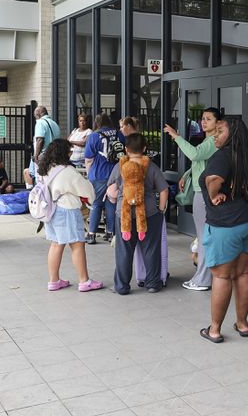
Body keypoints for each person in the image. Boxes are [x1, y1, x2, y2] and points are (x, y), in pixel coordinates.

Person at [198, 116, 248, 343]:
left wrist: (215, 195)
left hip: (227, 224)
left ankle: (214, 329)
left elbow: (213, 178)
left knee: (222, 276)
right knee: (243, 273)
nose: (216, 134)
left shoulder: (223, 155)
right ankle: (242, 324)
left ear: (233, 134)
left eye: (220, 131)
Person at [163, 107, 223, 291]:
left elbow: (195, 154)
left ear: (218, 123)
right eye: (203, 119)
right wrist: (187, 174)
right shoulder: (209, 140)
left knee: (204, 237)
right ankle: (205, 276)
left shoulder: (213, 141)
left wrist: (176, 136)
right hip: (202, 190)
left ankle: (204, 279)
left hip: (203, 192)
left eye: (209, 119)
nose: (204, 122)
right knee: (205, 236)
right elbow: (201, 161)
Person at [36, 139, 103, 293]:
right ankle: (84, 281)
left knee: (56, 244)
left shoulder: (45, 169)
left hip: (51, 211)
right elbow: (87, 190)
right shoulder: (67, 171)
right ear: (63, 153)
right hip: (67, 211)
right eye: (69, 151)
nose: (71, 153)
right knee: (77, 245)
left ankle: (54, 281)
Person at [107, 132, 169, 295]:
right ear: (144, 148)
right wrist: (161, 210)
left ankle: (121, 286)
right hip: (149, 213)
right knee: (151, 249)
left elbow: (111, 191)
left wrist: (116, 203)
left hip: (124, 214)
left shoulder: (119, 166)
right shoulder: (151, 166)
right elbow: (163, 189)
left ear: (126, 149)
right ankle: (153, 283)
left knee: (124, 251)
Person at [84, 113, 122, 244]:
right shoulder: (118, 134)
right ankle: (111, 233)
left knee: (96, 203)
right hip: (116, 173)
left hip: (98, 174)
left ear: (97, 123)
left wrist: (89, 176)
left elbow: (89, 159)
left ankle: (91, 234)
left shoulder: (94, 136)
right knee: (111, 202)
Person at [24, 106, 61, 188]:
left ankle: (36, 195)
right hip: (55, 154)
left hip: (44, 155)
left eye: (35, 116)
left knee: (39, 177)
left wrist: (36, 155)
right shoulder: (54, 123)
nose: (35, 118)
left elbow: (40, 140)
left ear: (39, 114)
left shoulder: (40, 122)